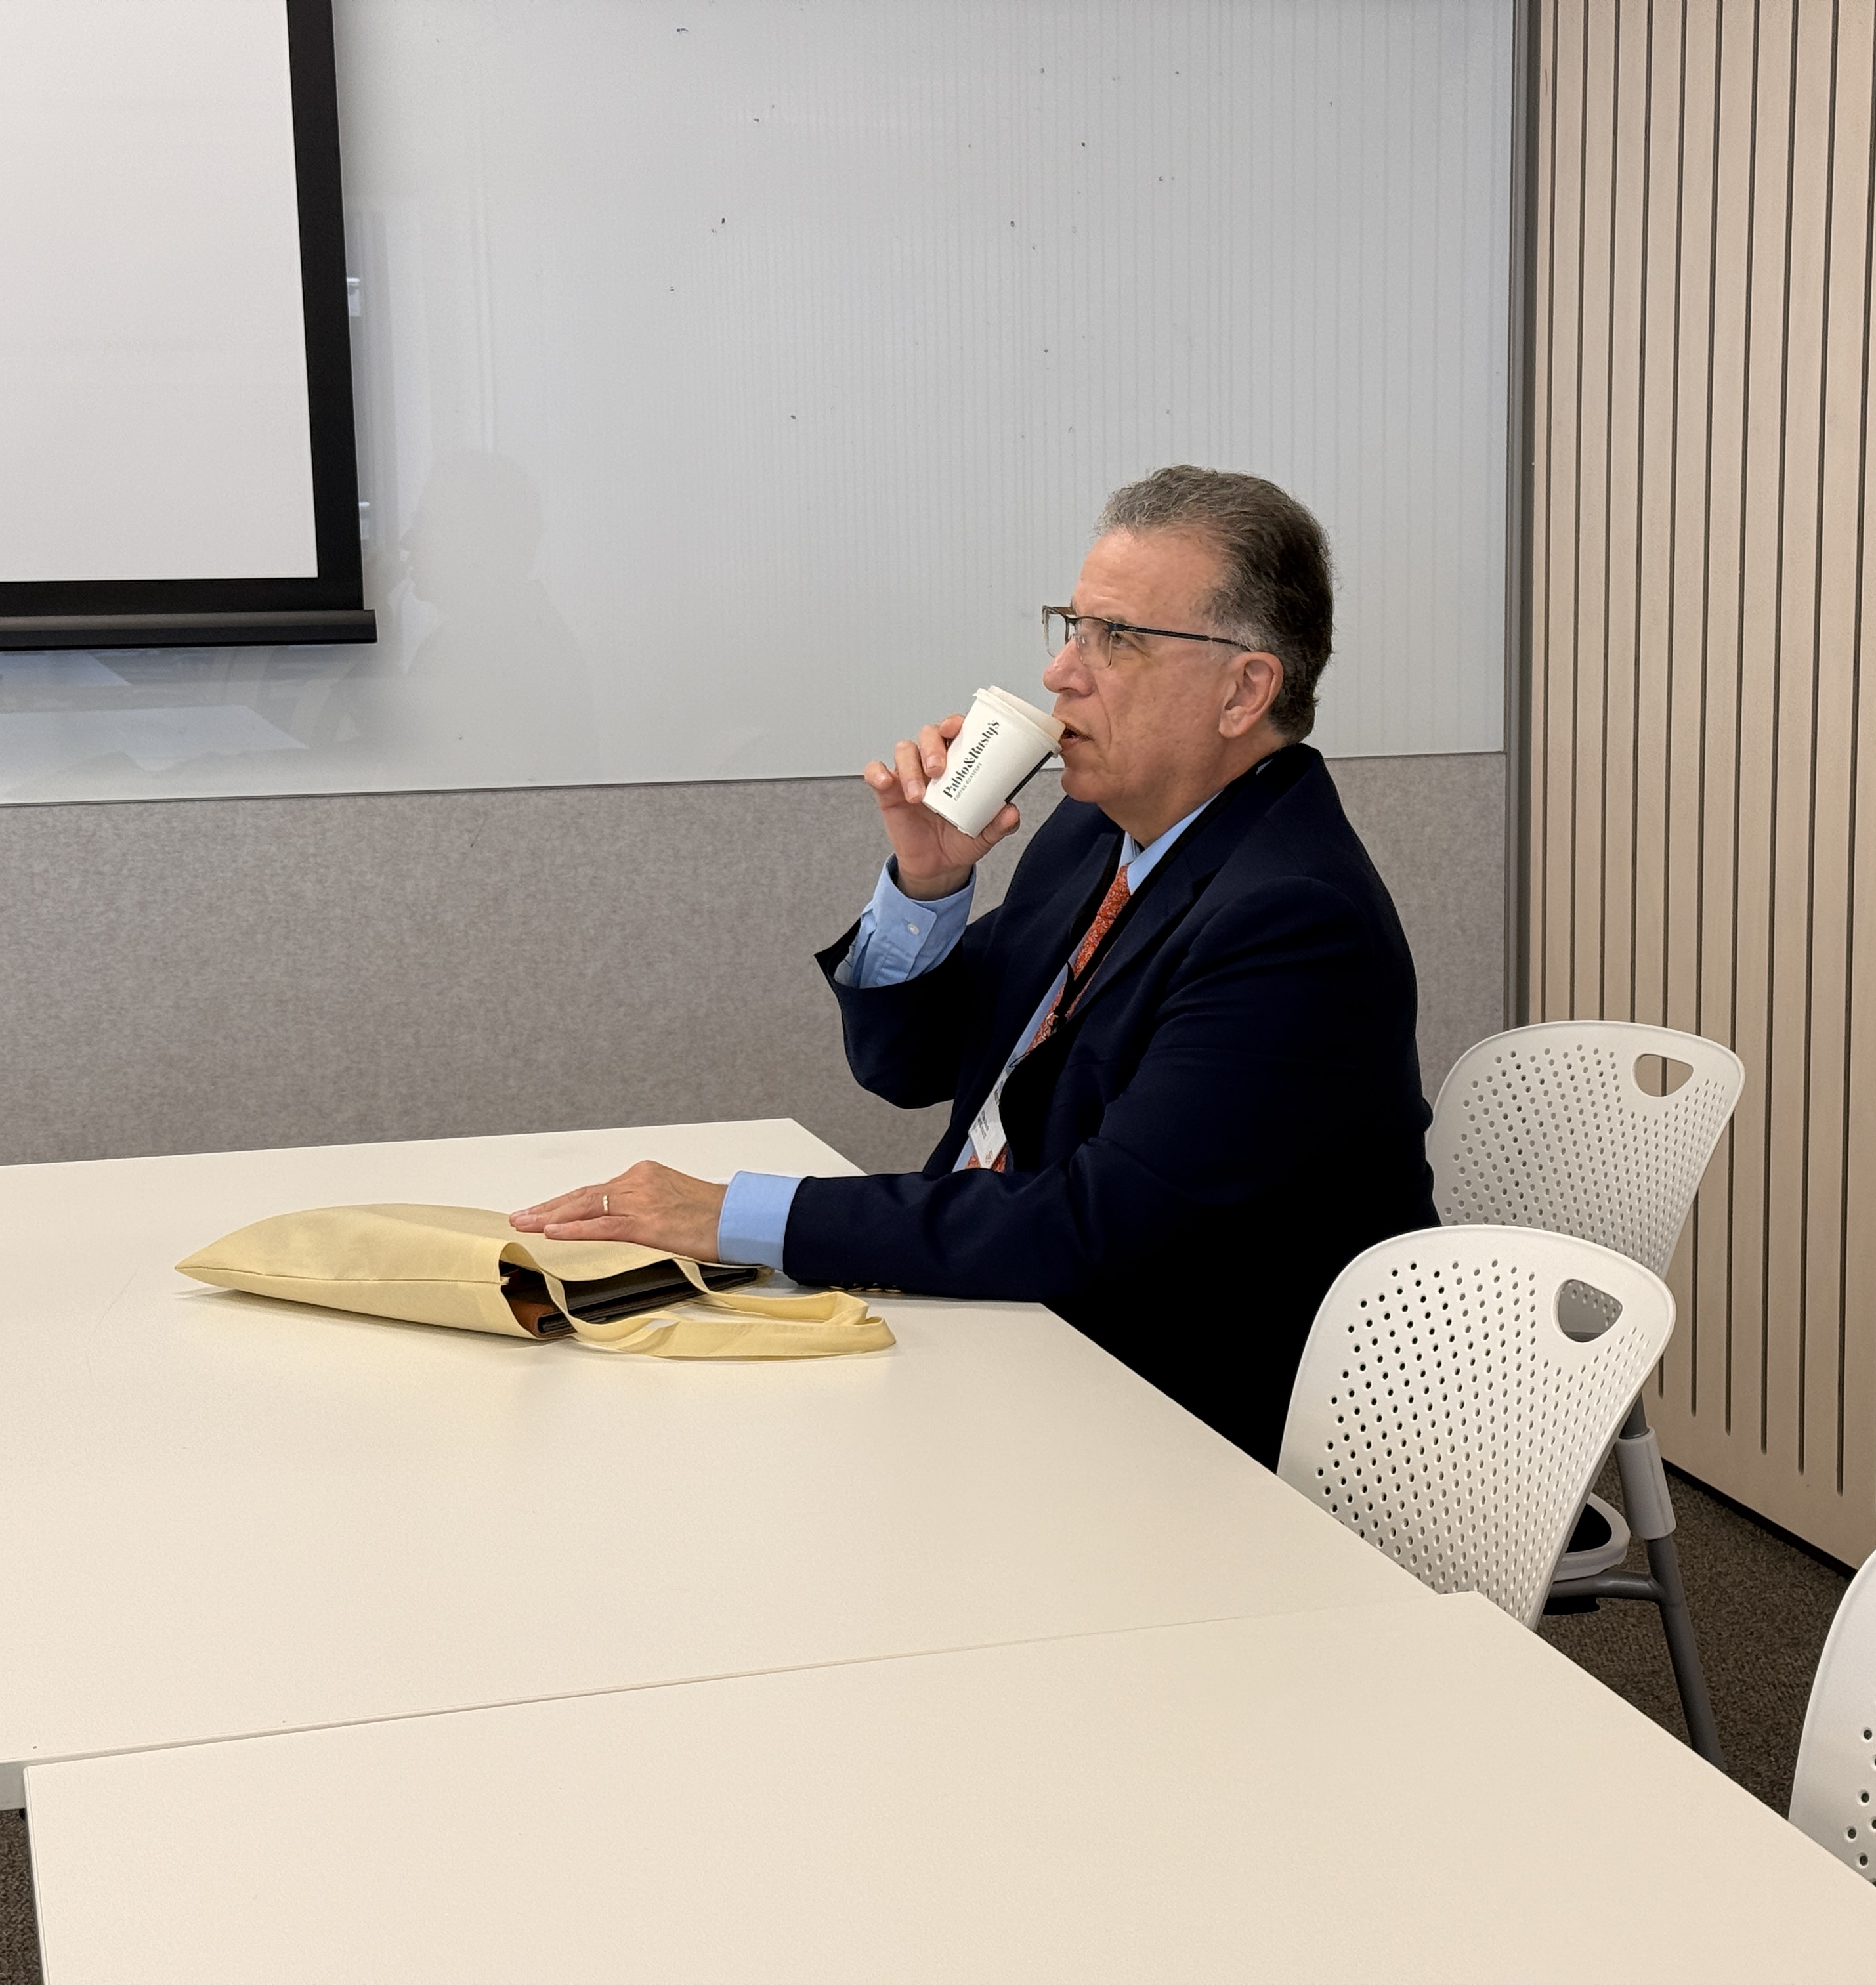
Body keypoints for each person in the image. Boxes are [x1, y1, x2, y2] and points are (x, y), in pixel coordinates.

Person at [512, 466, 1436, 1463]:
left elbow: (1095, 1226)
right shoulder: (1094, 833)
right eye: (1071, 626)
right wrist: (928, 883)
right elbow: (907, 1067)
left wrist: (737, 1214)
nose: (1061, 673)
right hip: (1003, 1333)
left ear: (1244, 690)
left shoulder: (1295, 921)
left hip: (1163, 1423)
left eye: (1117, 638)